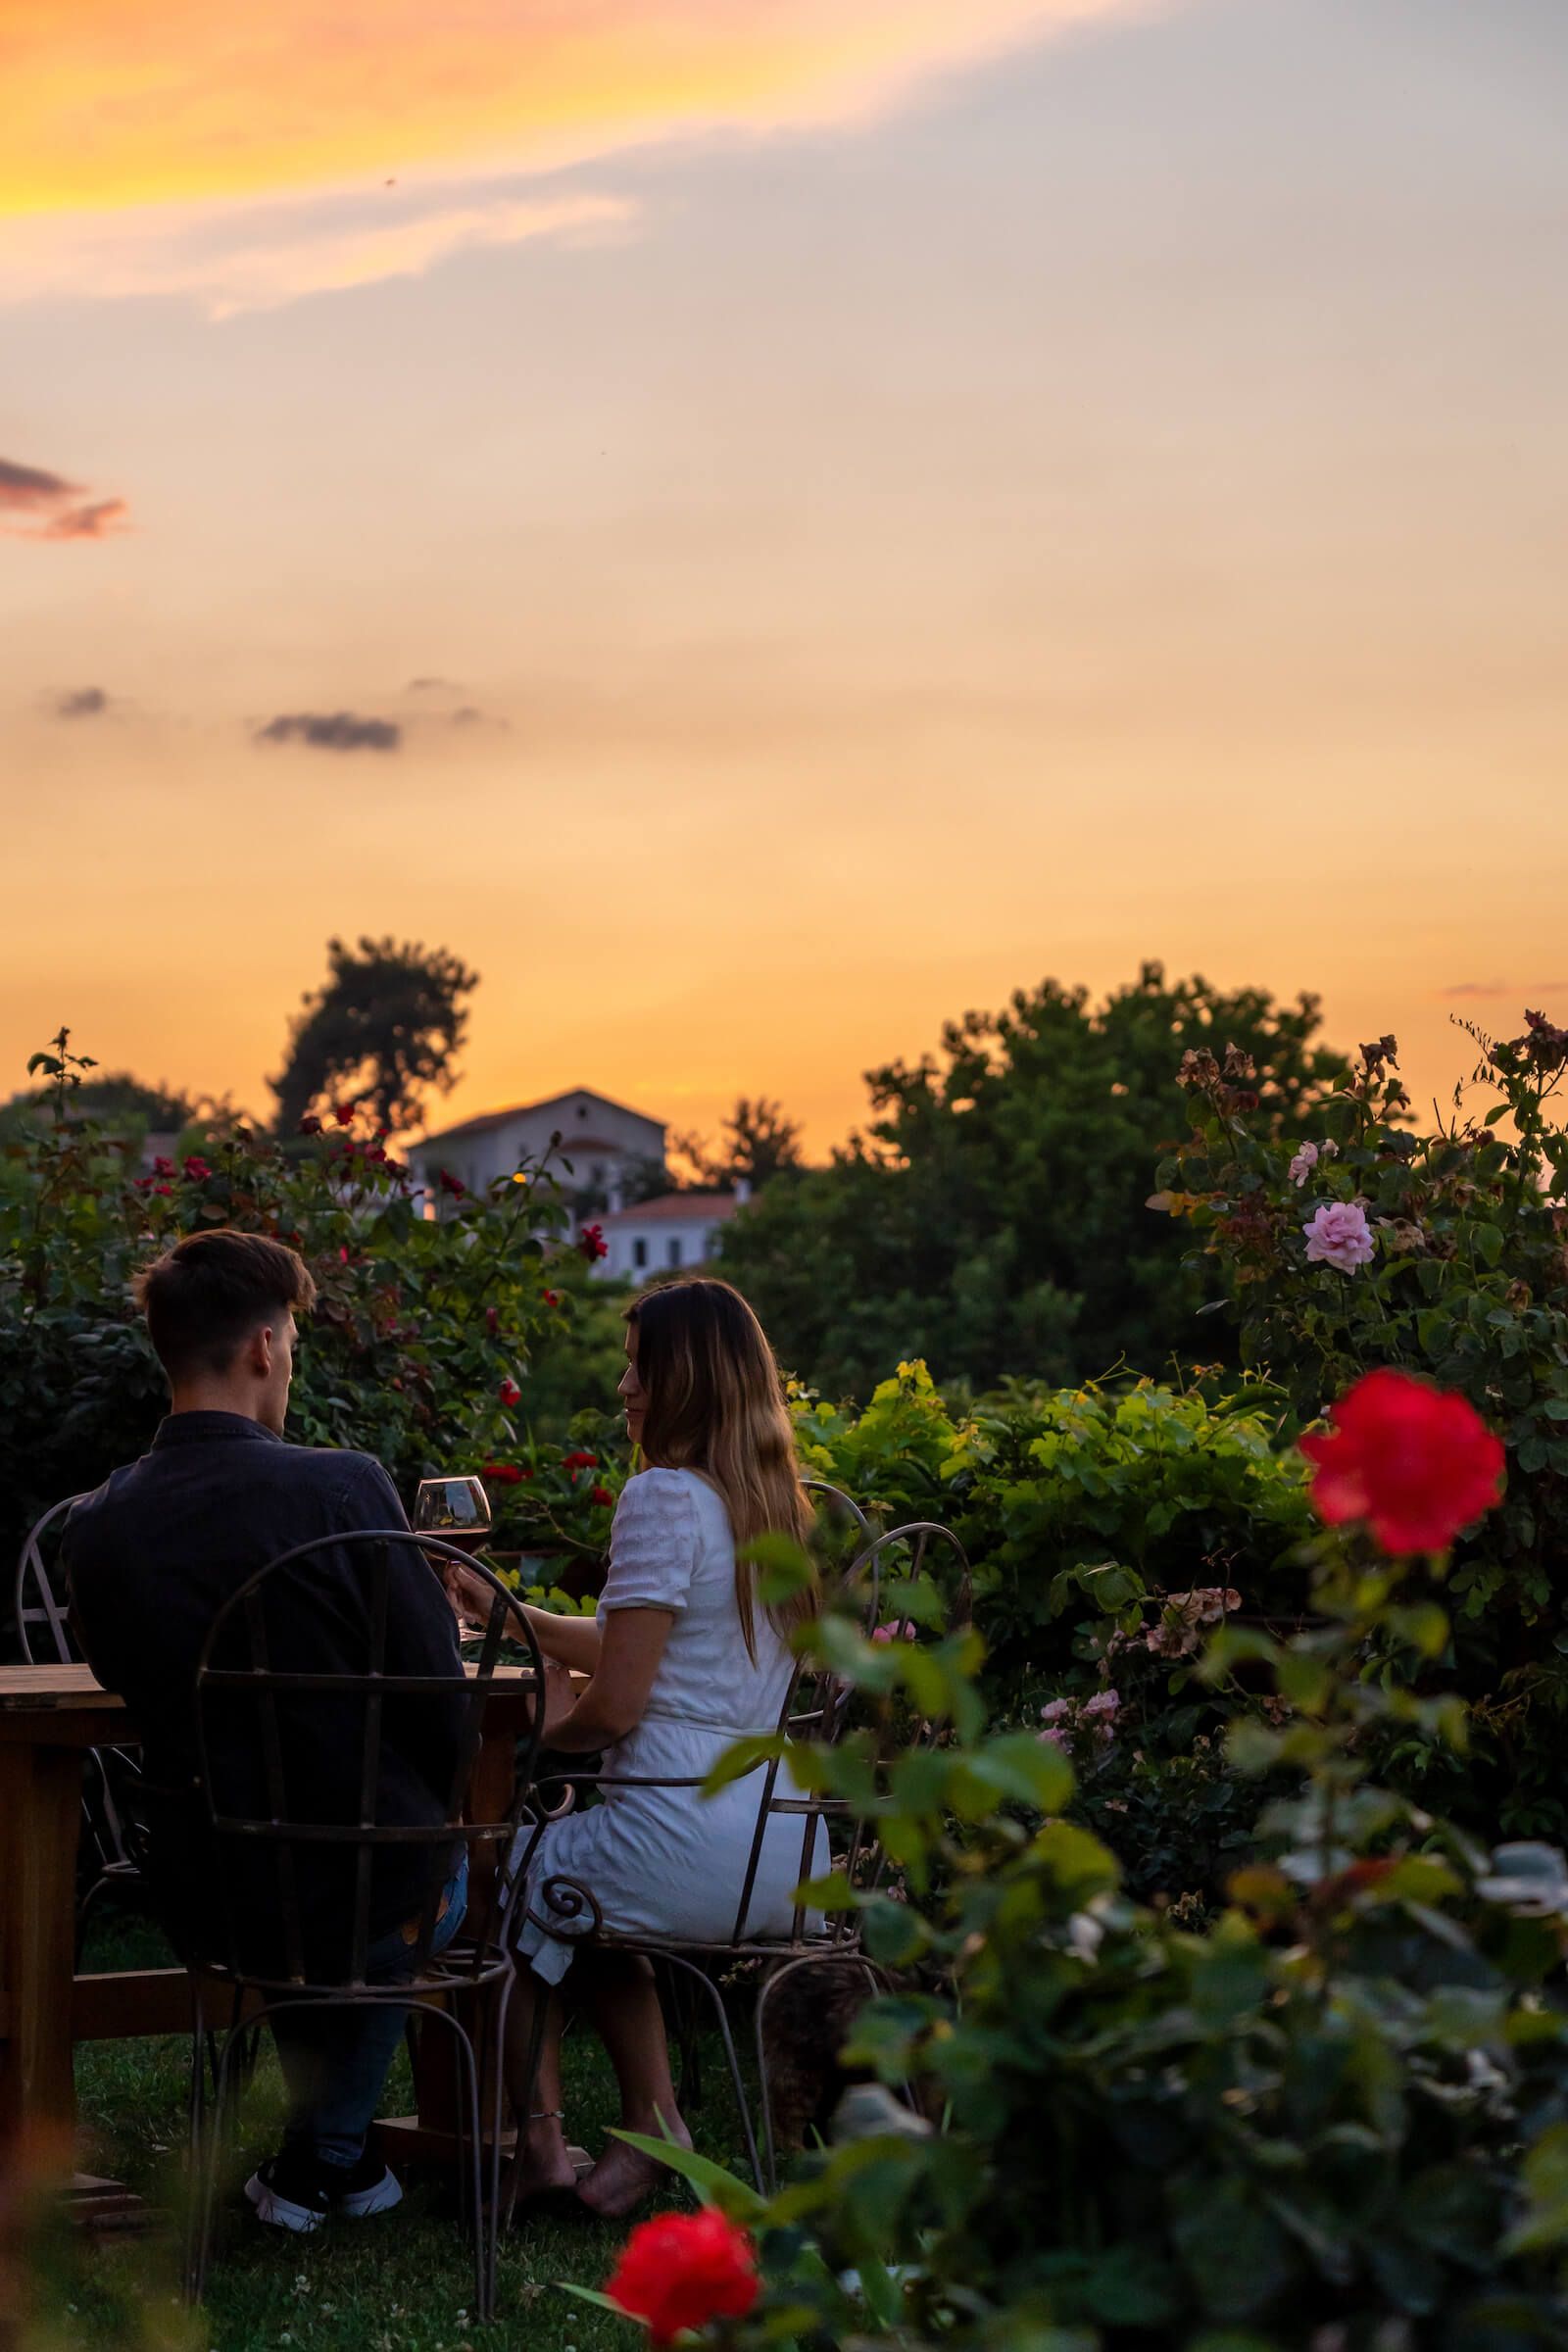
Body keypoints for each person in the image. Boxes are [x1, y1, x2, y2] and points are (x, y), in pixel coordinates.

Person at [63, 1228, 485, 2237]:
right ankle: (331, 2161)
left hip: (203, 1886)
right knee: (438, 1869)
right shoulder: (340, 1489)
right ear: (262, 1347)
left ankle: (342, 2163)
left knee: (348, 1879)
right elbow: (442, 1700)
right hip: (364, 1880)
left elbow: (130, 1686)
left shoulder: (98, 1522)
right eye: (291, 1337)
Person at [494, 1276, 821, 2220]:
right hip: (779, 1844)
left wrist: (547, 1725)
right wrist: (520, 1620)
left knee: (501, 1885)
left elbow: (619, 1701)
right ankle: (657, 2128)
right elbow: (653, 1646)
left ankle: (540, 2147)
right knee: (576, 1899)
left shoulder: (661, 1495)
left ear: (688, 1381)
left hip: (678, 1838)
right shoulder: (768, 1507)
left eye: (641, 1367)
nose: (625, 1388)